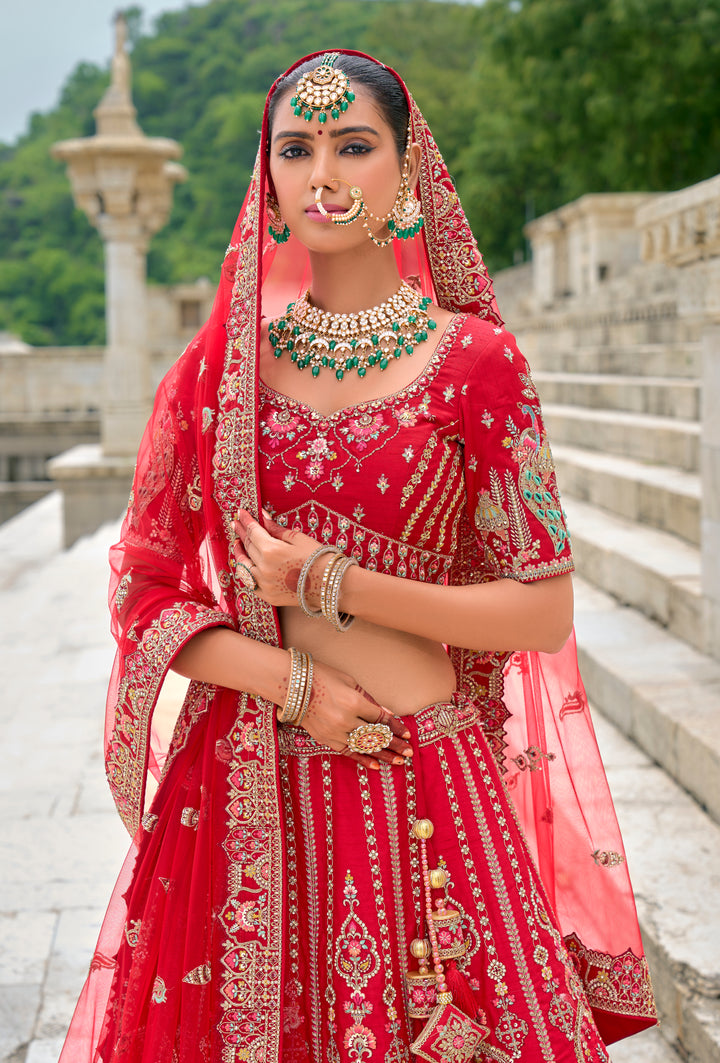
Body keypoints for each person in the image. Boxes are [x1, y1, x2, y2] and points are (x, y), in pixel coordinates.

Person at [60, 50, 657, 1062]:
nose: (323, 170)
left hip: (428, 787)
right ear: (271, 184)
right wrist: (298, 684)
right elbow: (144, 592)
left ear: (408, 174)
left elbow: (540, 612)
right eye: (295, 149)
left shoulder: (479, 365)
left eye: (353, 144)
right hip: (249, 793)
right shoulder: (216, 377)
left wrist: (326, 581)